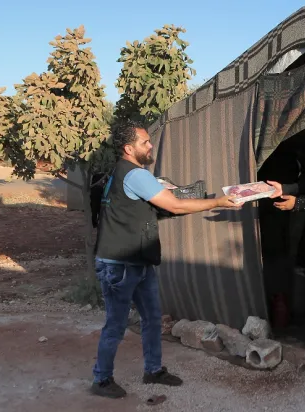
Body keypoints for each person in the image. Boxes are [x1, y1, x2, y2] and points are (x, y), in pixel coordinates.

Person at [91, 120, 243, 399]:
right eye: (144, 142)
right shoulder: (136, 175)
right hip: (120, 265)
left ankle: (153, 370)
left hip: (136, 261)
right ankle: (101, 379)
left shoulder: (124, 172)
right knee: (116, 324)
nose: (150, 146)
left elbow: (155, 206)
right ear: (129, 148)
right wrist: (219, 202)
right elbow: (173, 205)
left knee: (151, 318)